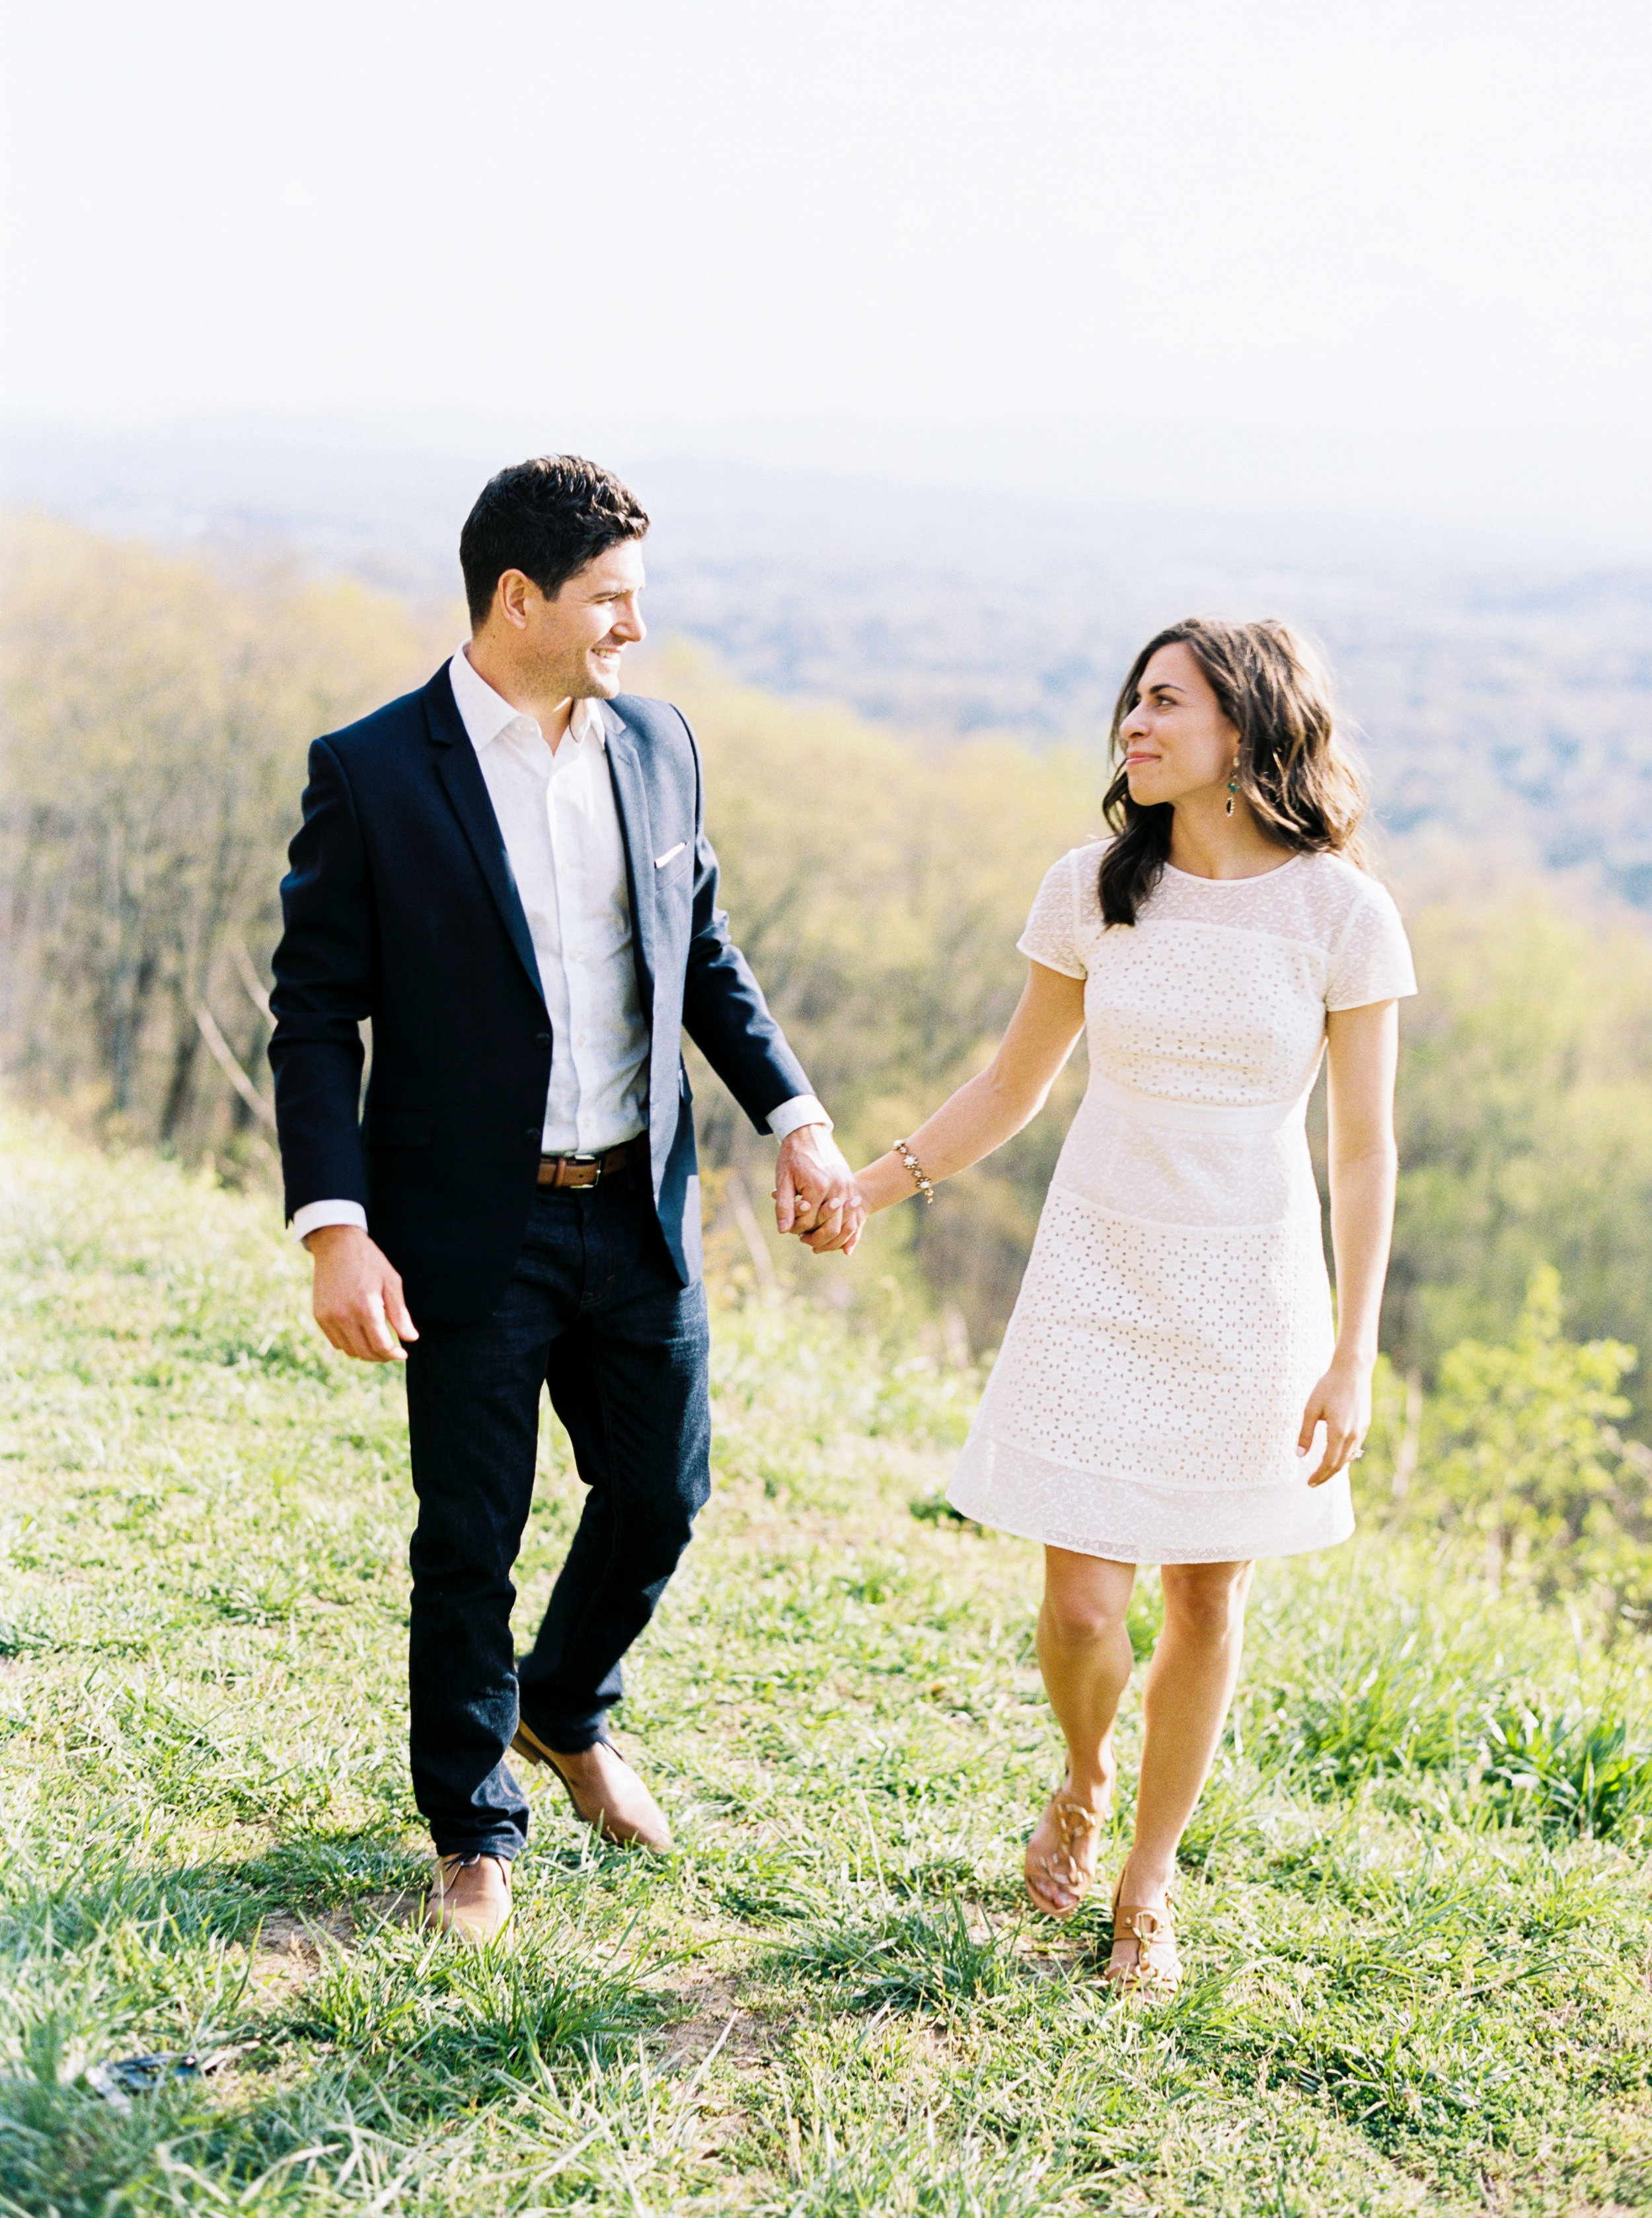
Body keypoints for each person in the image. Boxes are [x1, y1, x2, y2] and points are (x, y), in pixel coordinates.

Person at [269, 455, 861, 1944]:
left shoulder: (660, 748)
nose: (635, 633)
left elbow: (702, 956)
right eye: (611, 601)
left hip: (636, 1202)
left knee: (662, 1488)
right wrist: (333, 1223)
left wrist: (793, 1116)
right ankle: (474, 1827)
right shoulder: (374, 769)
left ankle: (564, 1704)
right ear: (518, 597)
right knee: (470, 1528)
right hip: (463, 1223)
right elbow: (312, 1012)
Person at [835, 618, 1415, 1993]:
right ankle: (1084, 1771)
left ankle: (1146, 1875)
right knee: (1085, 1602)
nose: (1133, 726)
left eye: (1165, 704)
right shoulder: (1091, 887)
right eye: (1131, 703)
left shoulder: (1341, 913)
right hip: (1097, 1269)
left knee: (1206, 1598)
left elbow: (1364, 1146)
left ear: (1248, 728)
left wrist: (1353, 1350)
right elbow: (1008, 1084)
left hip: (1252, 1286)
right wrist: (873, 1180)